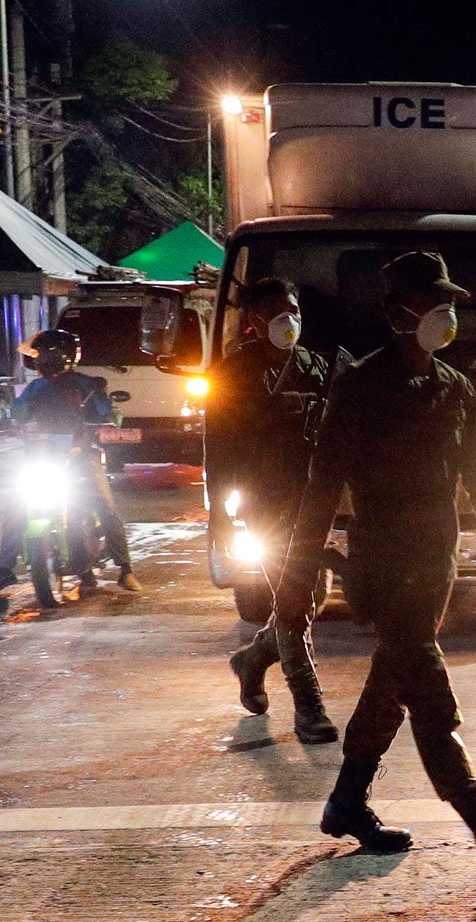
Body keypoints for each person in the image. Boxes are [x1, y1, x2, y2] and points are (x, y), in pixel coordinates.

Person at [275, 251, 476, 881]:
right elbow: (322, 487)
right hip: (384, 571)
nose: (447, 315)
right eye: (434, 303)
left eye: (449, 301)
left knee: (389, 690)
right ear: (399, 312)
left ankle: (346, 801)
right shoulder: (360, 386)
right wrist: (295, 575)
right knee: (431, 699)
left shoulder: (455, 387)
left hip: (435, 570)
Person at [210, 278, 338, 743]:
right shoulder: (232, 375)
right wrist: (220, 515)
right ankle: (309, 707)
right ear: (253, 321)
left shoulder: (317, 367)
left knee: (307, 600)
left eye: (293, 308)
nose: (289, 319)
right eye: (275, 310)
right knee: (292, 602)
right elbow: (218, 450)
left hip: (313, 502)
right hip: (264, 505)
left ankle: (253, 658)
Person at [0, 328, 141, 597]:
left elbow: (108, 413)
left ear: (67, 355)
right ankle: (4, 571)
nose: (44, 359)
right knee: (15, 510)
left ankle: (125, 569)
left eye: (50, 353)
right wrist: (4, 421)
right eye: (41, 354)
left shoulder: (87, 385)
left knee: (106, 508)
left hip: (79, 456)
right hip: (43, 458)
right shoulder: (35, 387)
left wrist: (107, 414)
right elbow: (18, 413)